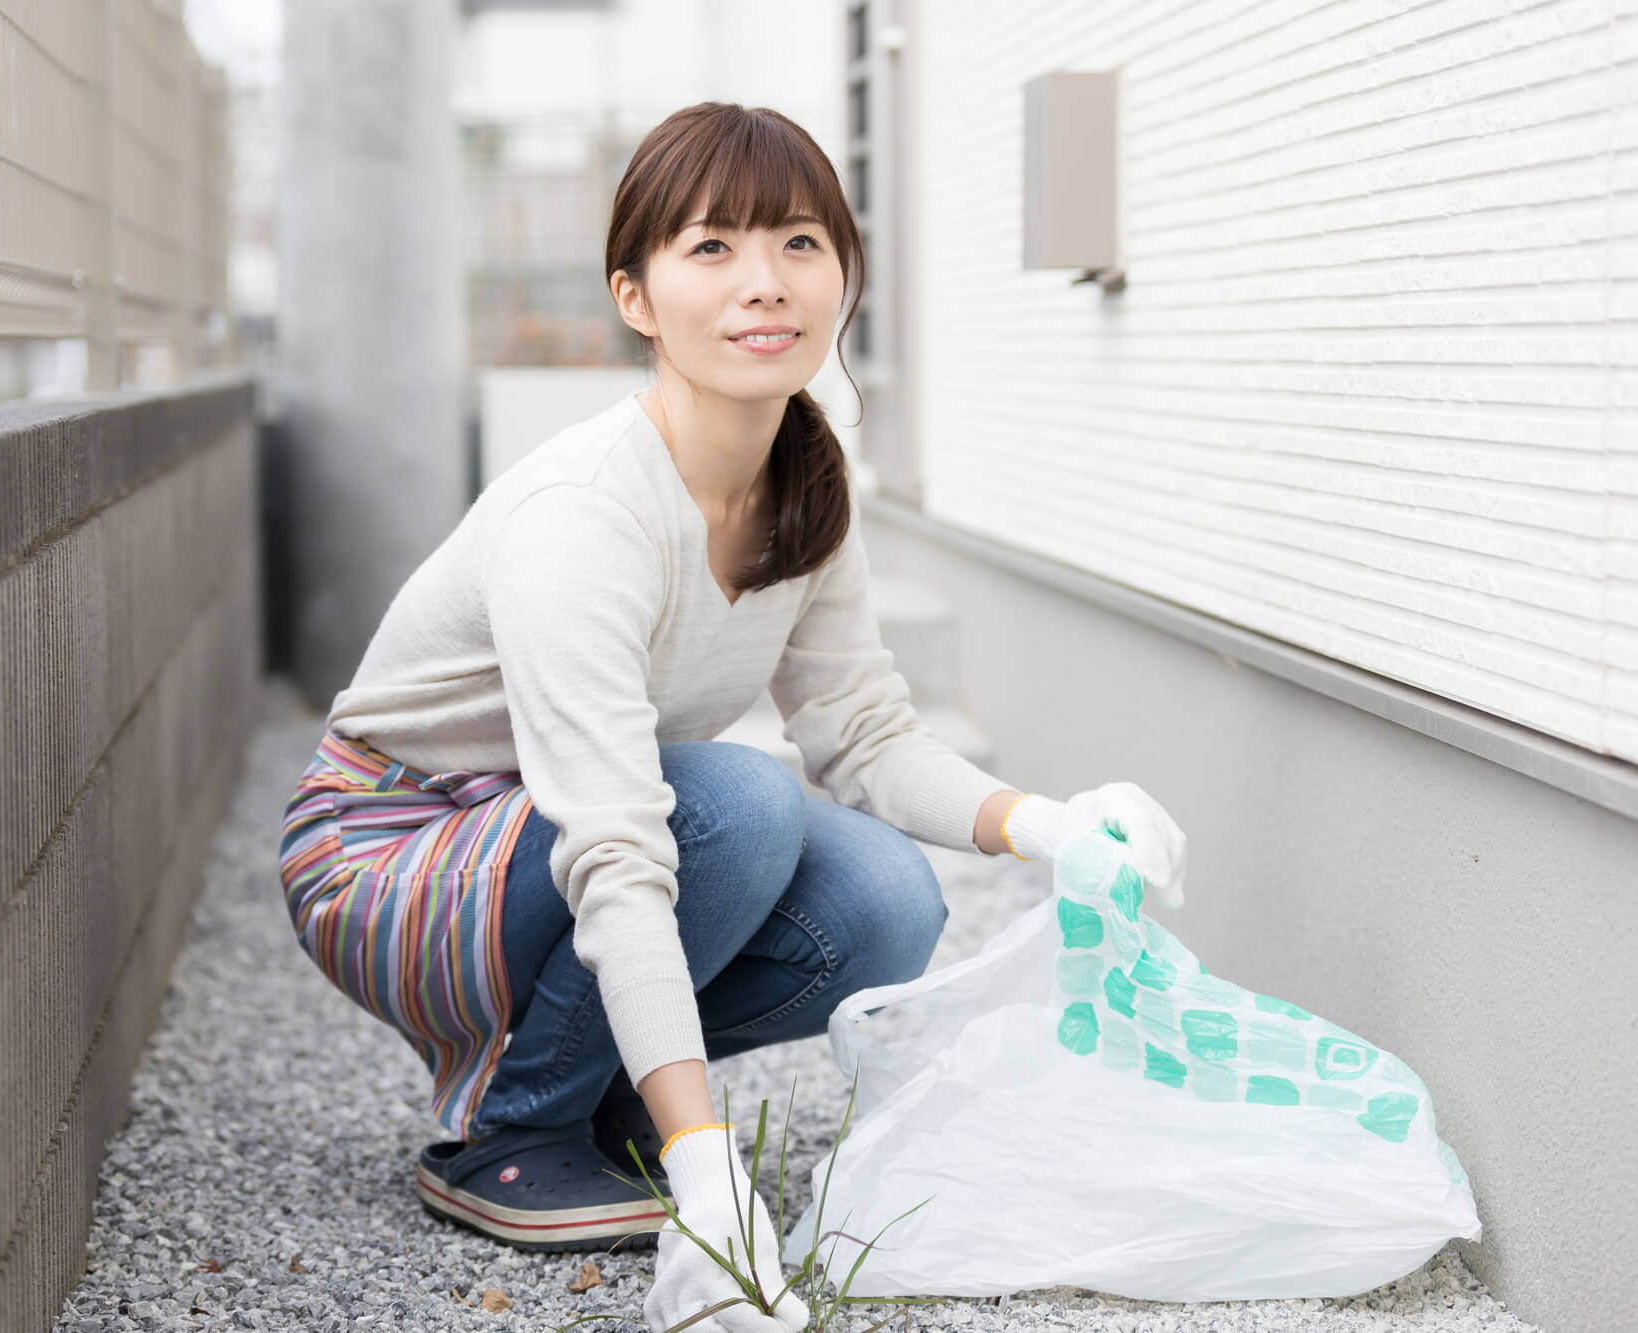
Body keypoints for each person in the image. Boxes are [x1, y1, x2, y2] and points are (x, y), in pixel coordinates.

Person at [277, 101, 1189, 1333]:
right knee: (738, 803)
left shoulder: (803, 483)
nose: (764, 284)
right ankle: (512, 1136)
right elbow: (614, 838)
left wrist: (1048, 827)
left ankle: (610, 1097)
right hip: (384, 850)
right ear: (635, 295)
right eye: (711, 247)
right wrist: (710, 1170)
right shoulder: (584, 514)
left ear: (843, 274)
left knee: (884, 899)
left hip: (526, 847)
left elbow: (860, 732)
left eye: (799, 243)